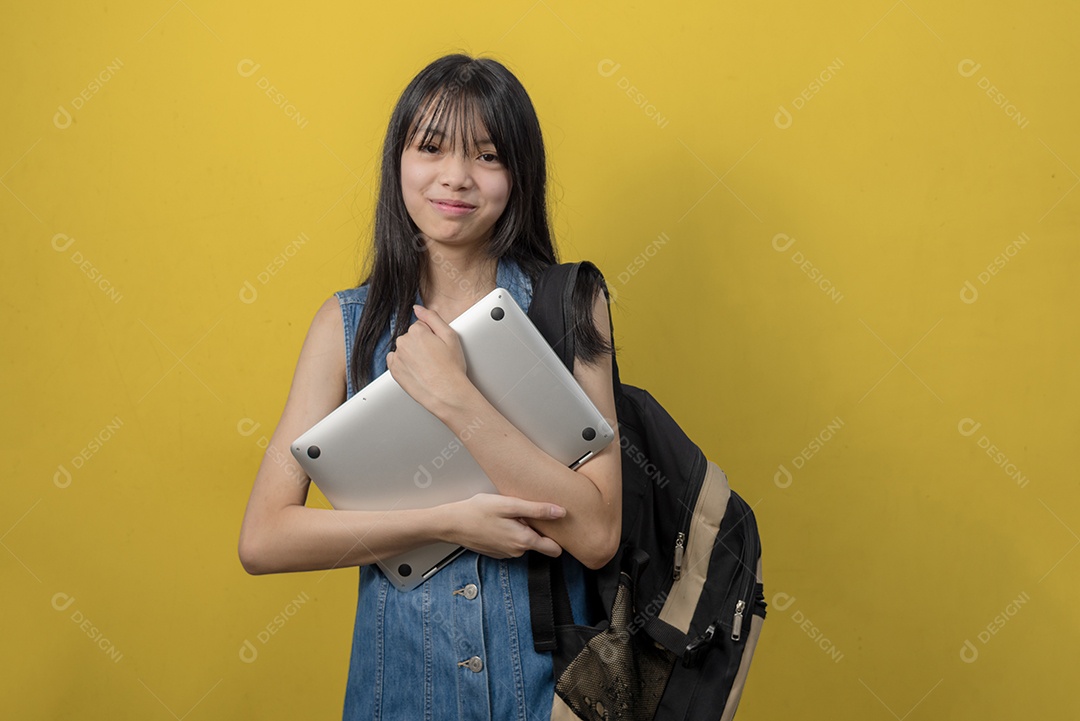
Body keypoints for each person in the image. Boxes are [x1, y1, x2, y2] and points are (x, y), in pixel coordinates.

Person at [238, 53, 623, 720]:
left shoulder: (570, 304)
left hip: (547, 693)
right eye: (432, 147)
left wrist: (456, 397)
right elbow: (263, 538)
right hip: (400, 691)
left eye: (487, 155)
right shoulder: (346, 325)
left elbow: (596, 532)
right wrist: (448, 522)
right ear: (399, 161)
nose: (456, 176)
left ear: (520, 175)